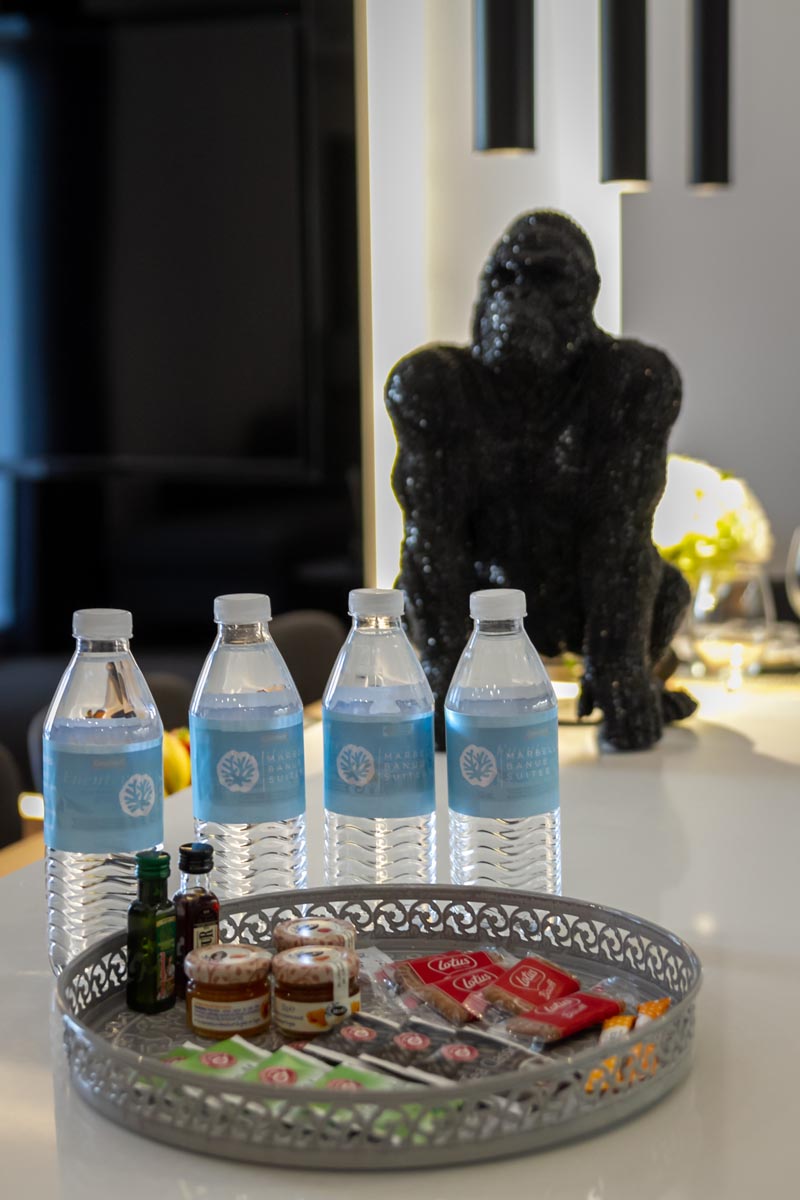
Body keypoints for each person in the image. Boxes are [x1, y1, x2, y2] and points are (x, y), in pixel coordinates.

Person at [385, 210, 696, 751]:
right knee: (418, 590)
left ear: (586, 295)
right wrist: (444, 673)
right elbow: (431, 542)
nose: (518, 296)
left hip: (579, 596)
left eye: (545, 278)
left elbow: (622, 535)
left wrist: (619, 663)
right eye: (504, 278)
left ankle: (636, 679)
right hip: (483, 599)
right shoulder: (434, 386)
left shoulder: (628, 383)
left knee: (667, 590)